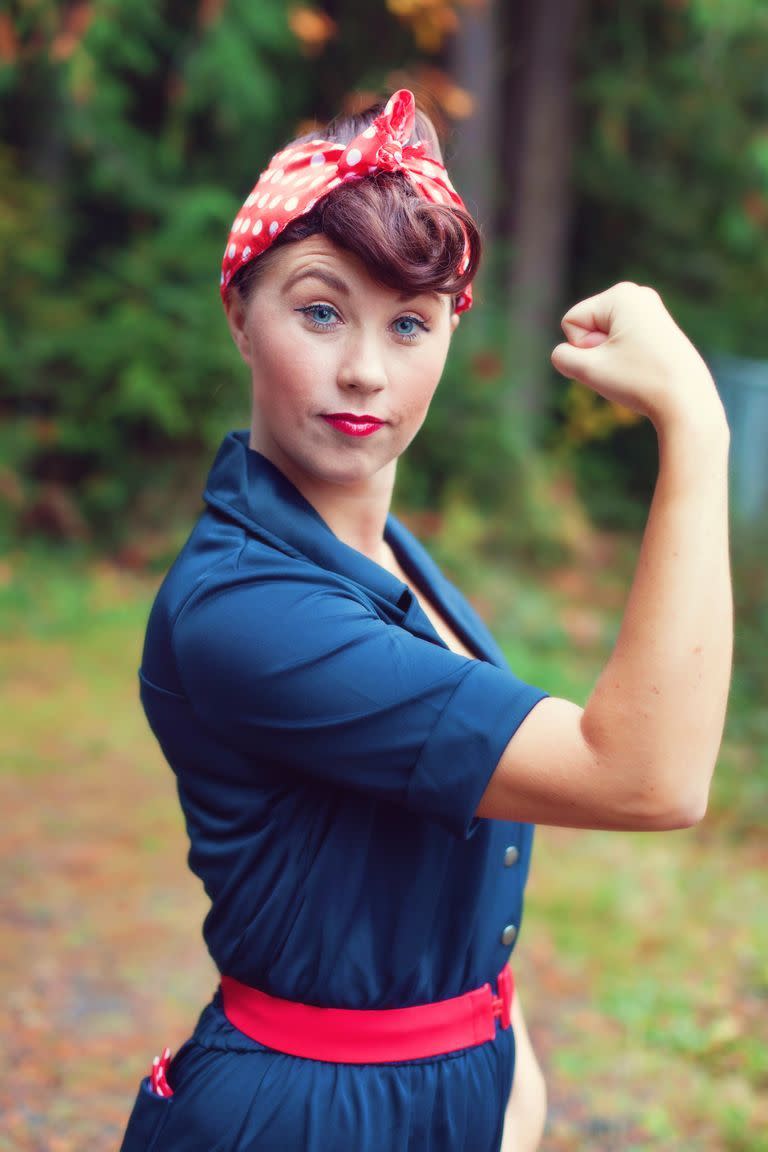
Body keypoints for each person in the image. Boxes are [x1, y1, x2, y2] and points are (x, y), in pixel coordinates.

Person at [119, 89, 732, 1152]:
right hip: (301, 1119)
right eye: (321, 311)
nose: (365, 369)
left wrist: (506, 1065)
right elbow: (649, 774)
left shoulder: (390, 558)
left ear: (451, 333)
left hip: (449, 1094)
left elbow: (457, 825)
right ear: (239, 311)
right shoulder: (248, 610)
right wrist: (697, 426)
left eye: (409, 323)